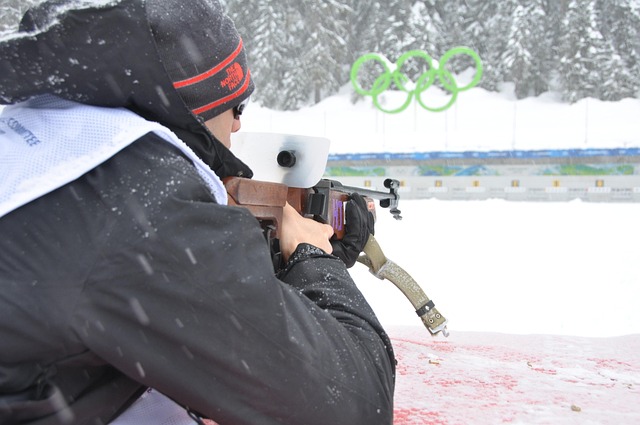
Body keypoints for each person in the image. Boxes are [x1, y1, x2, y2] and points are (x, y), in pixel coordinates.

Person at [0, 1, 396, 424]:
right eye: (237, 107)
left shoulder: (45, 140)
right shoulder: (141, 205)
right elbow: (354, 402)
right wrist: (315, 261)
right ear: (195, 105)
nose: (239, 127)